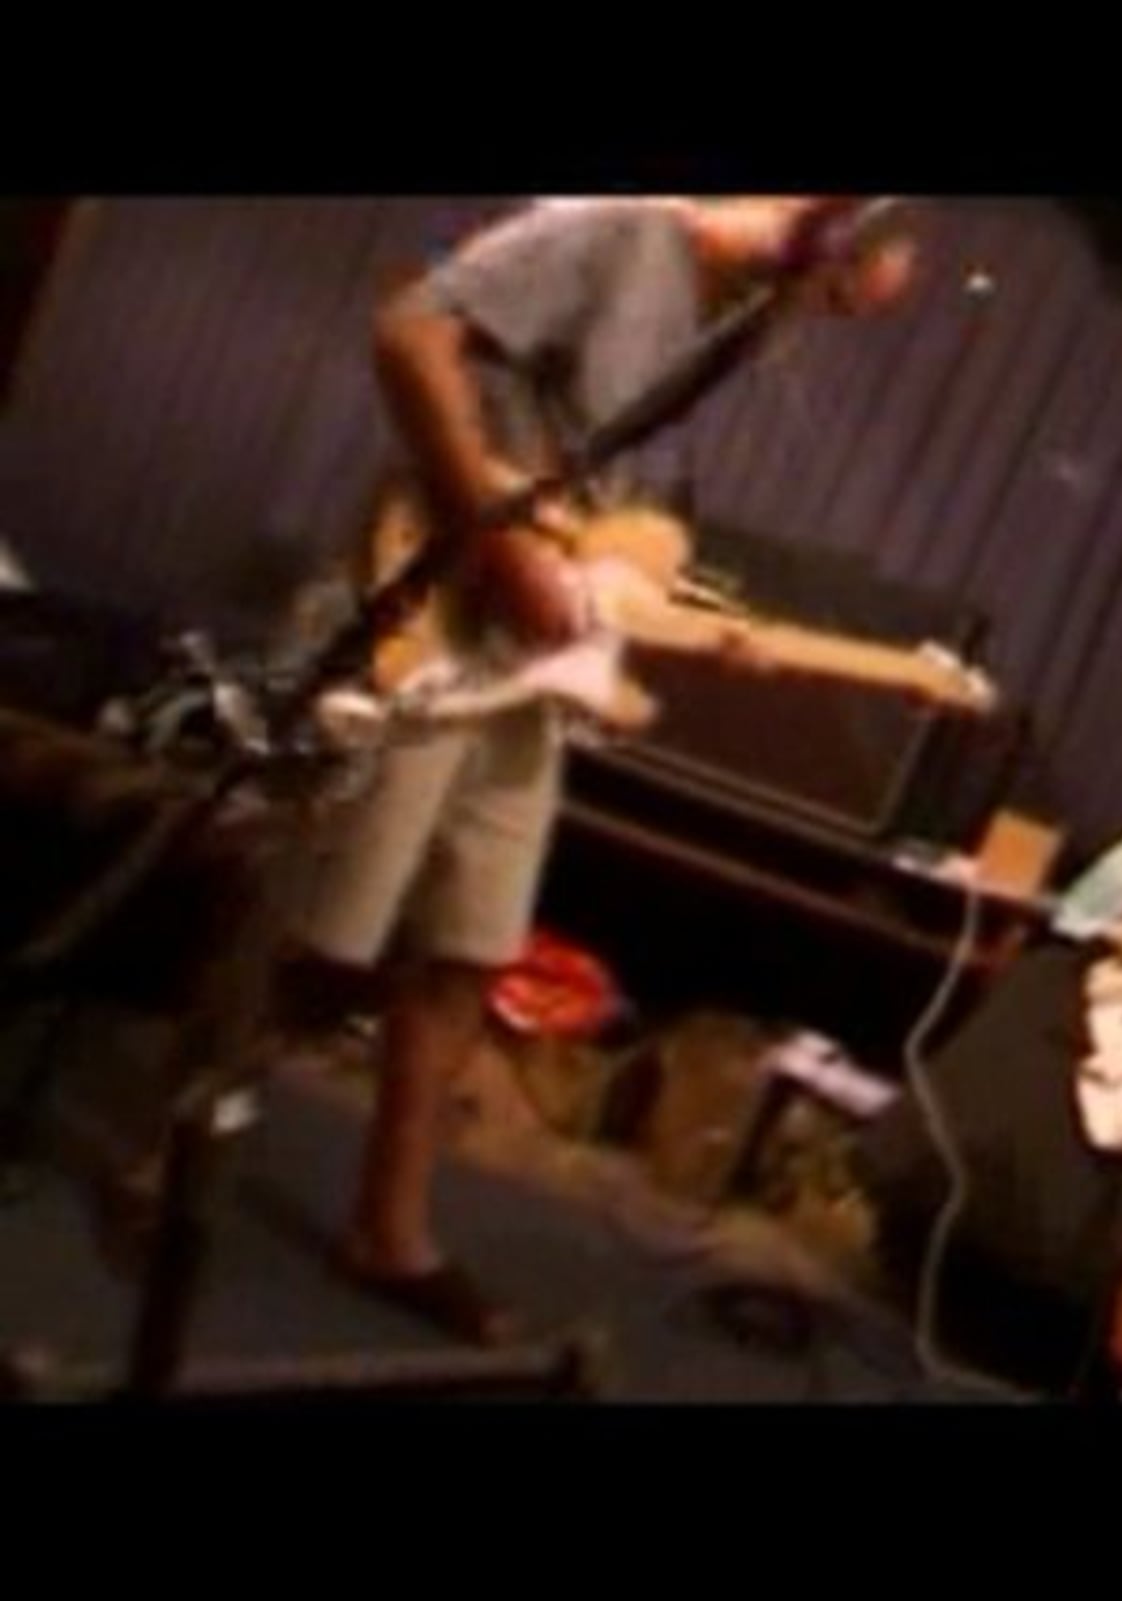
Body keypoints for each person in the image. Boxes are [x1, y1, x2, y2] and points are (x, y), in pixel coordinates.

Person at [296, 196, 920, 1344]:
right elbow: (411, 334)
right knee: (314, 933)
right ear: (813, 227)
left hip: (527, 668)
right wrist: (498, 543)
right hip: (431, 621)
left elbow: (601, 510)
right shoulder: (614, 230)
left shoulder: (721, 326)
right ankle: (166, 1142)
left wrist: (681, 618)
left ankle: (391, 1230)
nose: (812, 322)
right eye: (830, 293)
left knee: (466, 948)